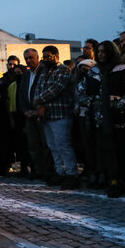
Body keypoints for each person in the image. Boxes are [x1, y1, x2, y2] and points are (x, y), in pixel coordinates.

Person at [78, 41, 125, 197]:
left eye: (104, 52)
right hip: (99, 119)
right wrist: (95, 103)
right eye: (98, 52)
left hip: (120, 120)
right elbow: (80, 93)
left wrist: (116, 103)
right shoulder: (93, 72)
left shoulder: (124, 70)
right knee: (104, 151)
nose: (101, 55)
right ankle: (110, 180)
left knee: (122, 151)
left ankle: (122, 182)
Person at [33, 46, 80, 190]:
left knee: (63, 145)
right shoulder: (44, 71)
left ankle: (72, 174)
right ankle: (60, 172)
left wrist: (37, 100)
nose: (45, 59)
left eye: (48, 57)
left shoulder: (64, 70)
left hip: (61, 114)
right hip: (47, 115)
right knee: (53, 146)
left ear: (56, 56)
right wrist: (38, 102)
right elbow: (38, 88)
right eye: (44, 57)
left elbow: (55, 89)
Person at [18, 48, 54, 181]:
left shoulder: (45, 71)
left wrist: (38, 109)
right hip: (29, 115)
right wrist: (25, 110)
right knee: (33, 145)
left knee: (46, 144)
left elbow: (46, 91)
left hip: (42, 113)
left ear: (38, 57)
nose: (28, 60)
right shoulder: (26, 74)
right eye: (26, 58)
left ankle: (48, 171)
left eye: (31, 58)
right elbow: (22, 94)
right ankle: (38, 170)